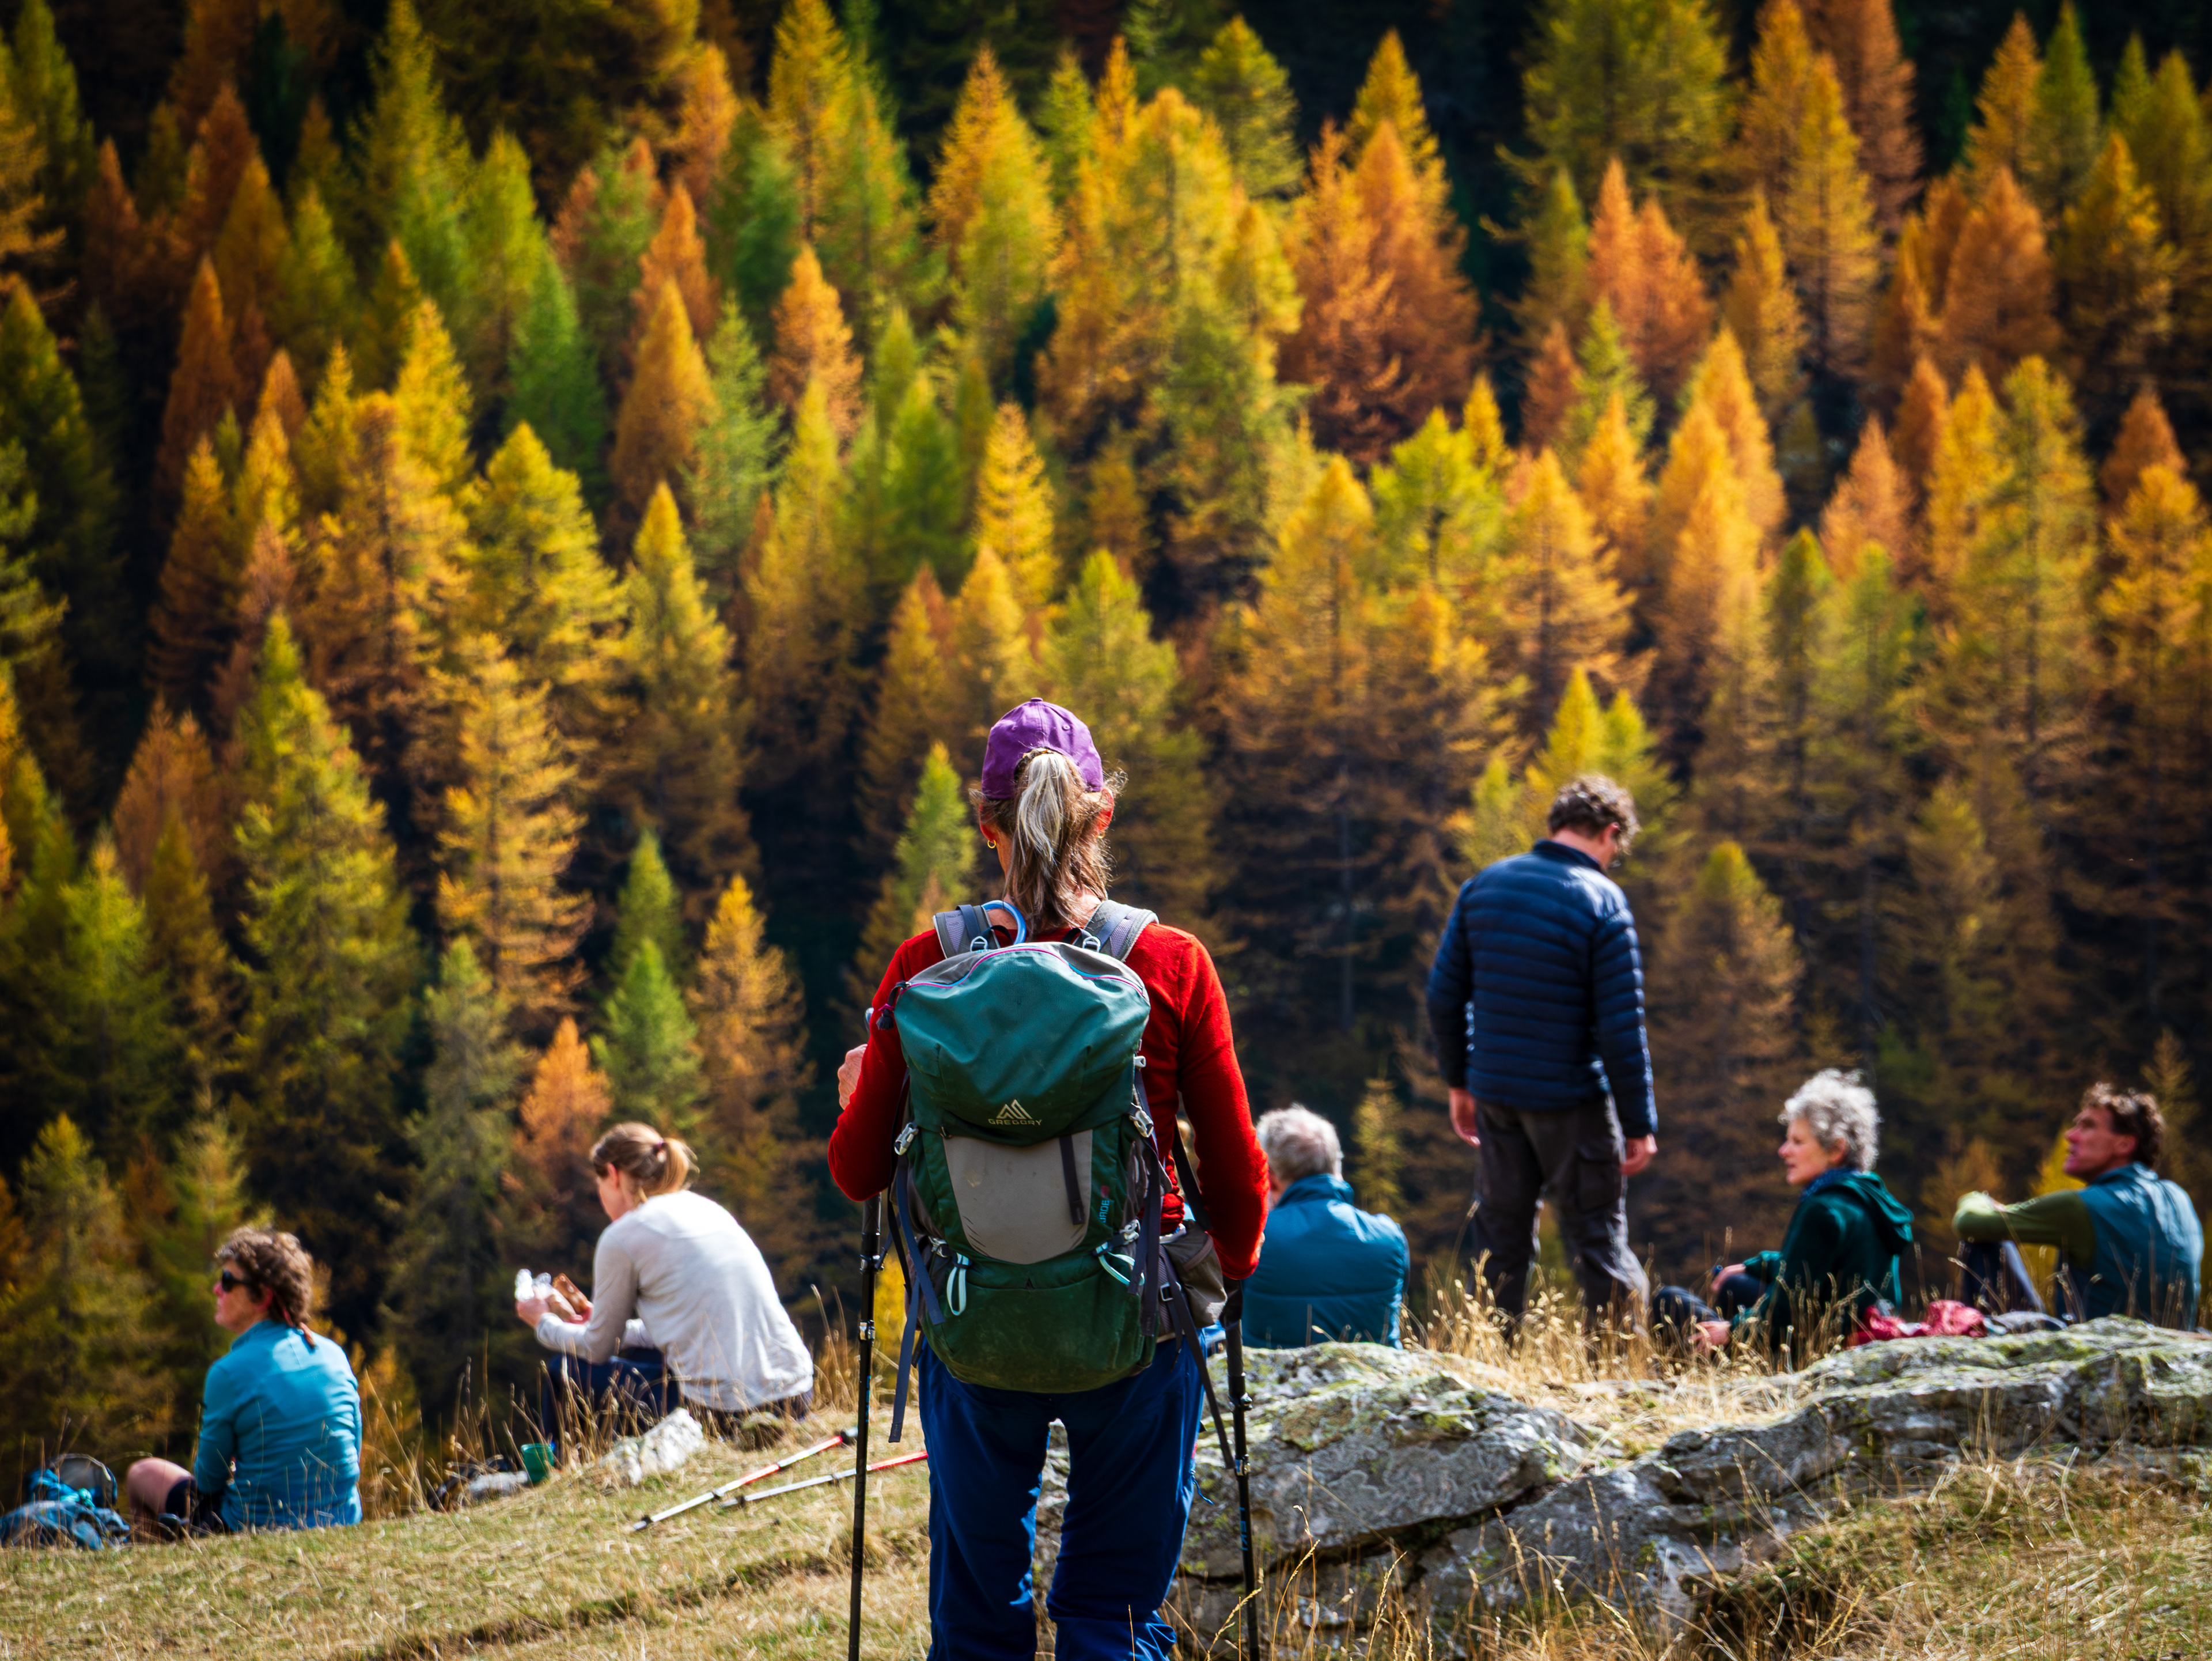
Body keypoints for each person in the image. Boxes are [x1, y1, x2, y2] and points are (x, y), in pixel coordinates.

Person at [830, 697, 1268, 1661]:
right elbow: (1237, 1172)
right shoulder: (1169, 963)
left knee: (979, 1620)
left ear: (989, 823)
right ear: (1100, 814)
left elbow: (859, 1169)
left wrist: (859, 1092)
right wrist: (1220, 1278)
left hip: (975, 1315)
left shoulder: (925, 968)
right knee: (1111, 1612)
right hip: (1137, 1318)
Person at [1426, 774, 1657, 1334]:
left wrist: (1461, 1084)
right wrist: (1638, 1122)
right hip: (1571, 1100)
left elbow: (1443, 996)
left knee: (1501, 1238)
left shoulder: (1484, 885)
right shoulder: (1603, 901)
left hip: (1497, 1094)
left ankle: (1493, 1361)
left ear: (1556, 826)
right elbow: (1621, 1028)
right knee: (1598, 1239)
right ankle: (1619, 1371)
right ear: (1609, 834)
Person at [517, 1123, 813, 1443]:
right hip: (796, 1394)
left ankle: (555, 1469)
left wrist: (542, 1322)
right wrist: (615, 1328)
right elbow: (691, 1324)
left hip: (726, 1412)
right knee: (642, 1358)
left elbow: (597, 1350)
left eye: (599, 1182)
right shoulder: (707, 1209)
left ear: (613, 1175)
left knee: (564, 1369)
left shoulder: (622, 1236)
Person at [1653, 1071, 1914, 1359]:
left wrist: (1733, 1331)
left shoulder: (1822, 1210)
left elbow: (1787, 1309)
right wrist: (1758, 1265)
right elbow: (1821, 1272)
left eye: (1798, 1142)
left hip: (1808, 1353)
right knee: (1734, 1284)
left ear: (1836, 1149)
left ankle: (1714, 1376)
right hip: (1854, 1340)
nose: (1783, 1151)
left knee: (1668, 1301)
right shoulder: (1867, 1198)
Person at [124, 1227, 362, 1534]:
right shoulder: (334, 1354)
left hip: (254, 1529)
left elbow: (209, 1481)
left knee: (142, 1473)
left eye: (227, 1281)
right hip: (343, 1525)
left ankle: (152, 1574)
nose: (216, 1290)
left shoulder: (227, 1373)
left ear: (263, 1296)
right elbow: (352, 1453)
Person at [1954, 1084, 2203, 1327]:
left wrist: (1978, 1198)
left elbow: (1969, 1223)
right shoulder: (2179, 1197)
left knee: (1983, 1239)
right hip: (2170, 1346)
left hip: (2096, 1351)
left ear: (2125, 1144)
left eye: (2088, 1126)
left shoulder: (2082, 1206)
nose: (2070, 1136)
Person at [1242, 1105, 1408, 1348]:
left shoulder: (1254, 1240)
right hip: (1378, 1380)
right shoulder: (1390, 1238)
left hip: (1275, 1382)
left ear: (1270, 1178)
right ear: (1336, 1167)